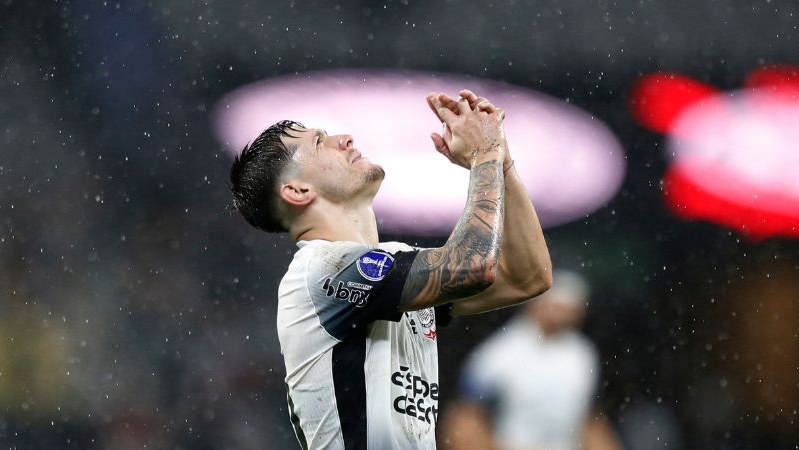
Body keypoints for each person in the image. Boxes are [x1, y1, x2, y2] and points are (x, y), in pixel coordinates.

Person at [228, 89, 552, 449]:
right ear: (298, 191)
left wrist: (502, 162)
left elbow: (528, 276)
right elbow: (473, 265)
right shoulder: (319, 270)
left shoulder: (390, 268)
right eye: (320, 142)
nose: (344, 138)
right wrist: (484, 154)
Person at [440, 270, 621, 450]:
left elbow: (590, 420)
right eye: (555, 306)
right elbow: (464, 418)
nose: (560, 315)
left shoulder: (582, 354)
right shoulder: (500, 353)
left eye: (569, 309)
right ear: (535, 304)